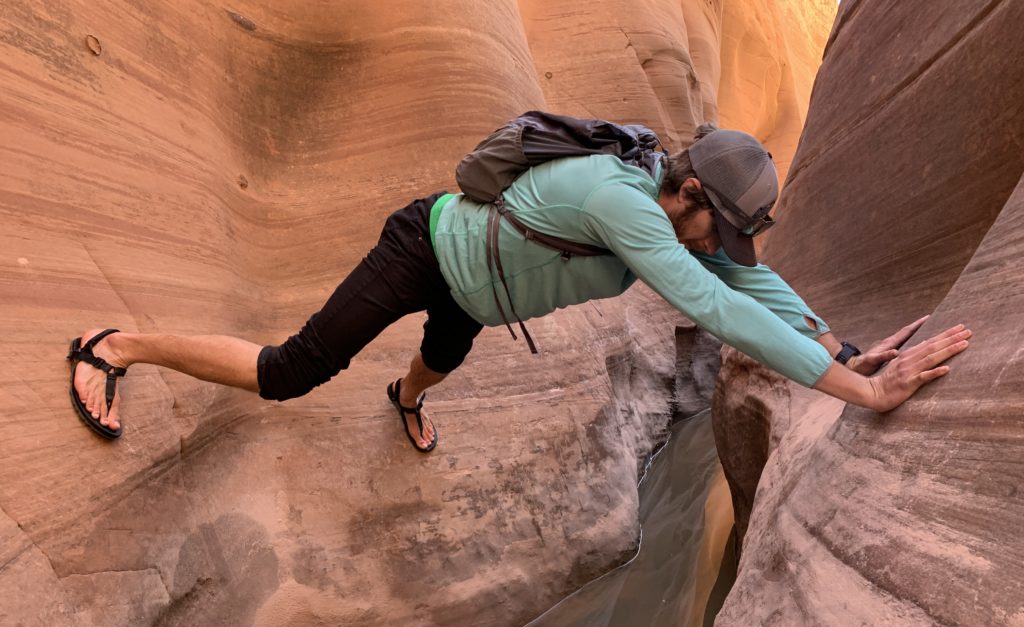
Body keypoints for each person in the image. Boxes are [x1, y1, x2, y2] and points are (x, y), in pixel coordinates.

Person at [68, 124, 970, 450]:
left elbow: (749, 279)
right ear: (691, 192)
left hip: (477, 295)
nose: (718, 244)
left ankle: (405, 398)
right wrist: (857, 391)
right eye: (716, 226)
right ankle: (117, 346)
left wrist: (840, 343)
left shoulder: (679, 207)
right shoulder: (623, 203)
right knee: (295, 368)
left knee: (434, 363)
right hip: (423, 249)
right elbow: (716, 305)